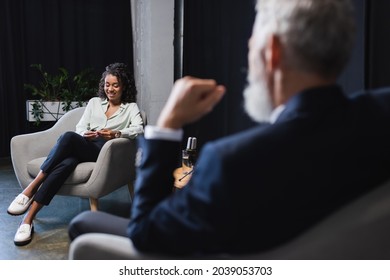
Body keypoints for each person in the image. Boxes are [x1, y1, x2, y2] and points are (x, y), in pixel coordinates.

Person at [68, 0, 390, 257]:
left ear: (272, 51)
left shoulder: (228, 163)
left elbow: (145, 232)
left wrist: (166, 126)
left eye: (251, 43)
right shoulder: (381, 117)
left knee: (83, 222)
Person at [7, 62, 144, 246]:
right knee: (66, 163)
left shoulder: (130, 108)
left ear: (124, 86)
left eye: (115, 85)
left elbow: (139, 129)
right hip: (86, 144)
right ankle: (27, 220)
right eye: (107, 84)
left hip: (105, 151)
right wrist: (84, 134)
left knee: (68, 138)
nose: (110, 89)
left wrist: (115, 133)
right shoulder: (94, 103)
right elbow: (80, 128)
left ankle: (31, 188)